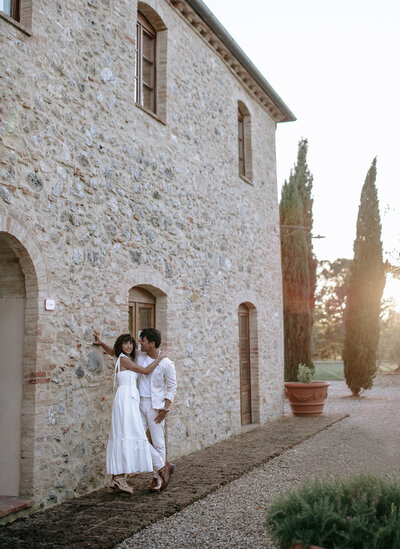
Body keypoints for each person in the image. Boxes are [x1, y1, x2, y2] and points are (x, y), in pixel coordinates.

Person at [93, 328, 177, 492]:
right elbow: (116, 352)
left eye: (142, 340)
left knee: (158, 442)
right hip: (136, 403)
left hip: (155, 406)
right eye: (134, 341)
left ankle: (157, 478)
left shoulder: (168, 364)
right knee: (139, 437)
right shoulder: (139, 356)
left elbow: (172, 388)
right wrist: (102, 343)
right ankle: (163, 466)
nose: (138, 343)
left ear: (151, 343)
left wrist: (165, 408)